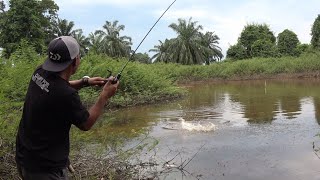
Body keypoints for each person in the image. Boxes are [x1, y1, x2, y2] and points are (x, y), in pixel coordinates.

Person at [15, 36, 119, 180]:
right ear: (75, 61)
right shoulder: (66, 95)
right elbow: (86, 123)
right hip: (45, 169)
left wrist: (85, 82)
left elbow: (56, 87)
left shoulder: (39, 72)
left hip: (24, 157)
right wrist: (104, 96)